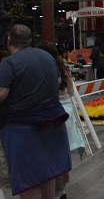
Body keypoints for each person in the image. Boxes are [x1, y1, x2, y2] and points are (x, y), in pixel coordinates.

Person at [0, 25, 71, 198]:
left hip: (22, 129)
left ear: (9, 41)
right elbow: (57, 81)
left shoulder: (9, 63)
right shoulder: (47, 57)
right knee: (47, 172)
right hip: (52, 124)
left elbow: (2, 94)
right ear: (31, 40)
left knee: (28, 178)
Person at [37, 41, 87, 199]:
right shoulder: (63, 69)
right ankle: (61, 190)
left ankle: (55, 190)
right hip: (67, 112)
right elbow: (71, 91)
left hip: (51, 113)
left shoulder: (41, 70)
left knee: (49, 154)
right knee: (61, 153)